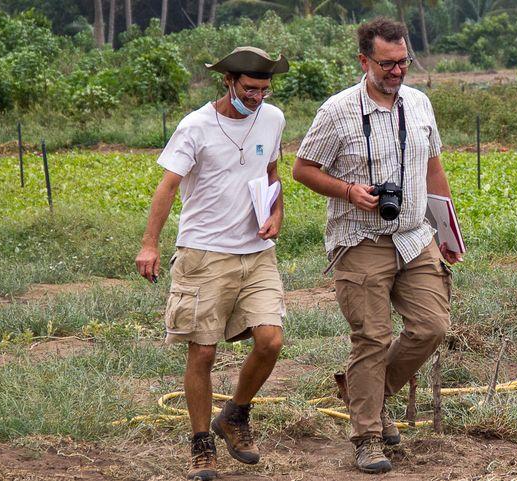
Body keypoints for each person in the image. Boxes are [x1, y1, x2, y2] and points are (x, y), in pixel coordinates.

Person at [292, 17, 462, 475]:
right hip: (360, 237)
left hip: (414, 235)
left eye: (403, 61)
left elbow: (432, 169)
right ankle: (367, 436)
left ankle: (366, 390)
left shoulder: (420, 104)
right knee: (372, 337)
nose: (396, 71)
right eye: (387, 63)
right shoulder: (338, 111)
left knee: (431, 327)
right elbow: (302, 169)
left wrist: (447, 230)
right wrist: (349, 191)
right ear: (364, 61)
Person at [134, 47, 289, 481]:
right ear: (228, 83)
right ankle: (201, 444)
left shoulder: (273, 119)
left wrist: (276, 212)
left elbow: (272, 173)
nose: (257, 98)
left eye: (264, 89)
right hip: (203, 252)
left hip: (256, 252)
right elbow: (167, 188)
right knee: (202, 351)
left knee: (270, 340)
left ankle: (235, 414)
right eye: (249, 89)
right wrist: (150, 244)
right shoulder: (196, 126)